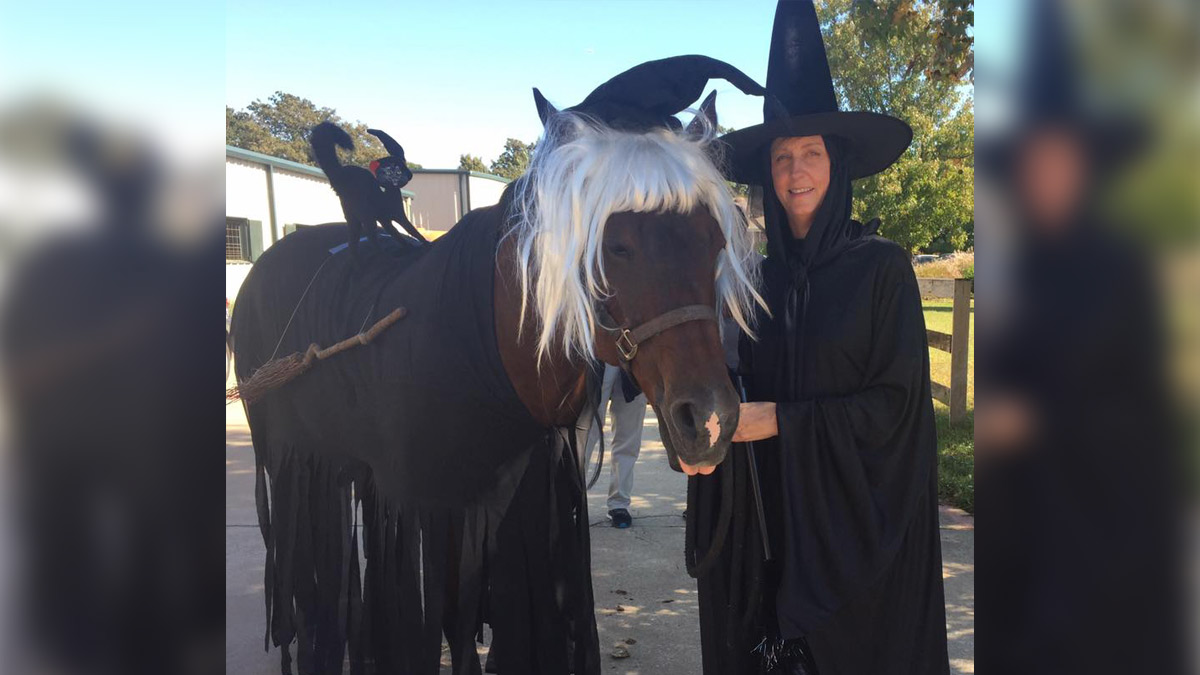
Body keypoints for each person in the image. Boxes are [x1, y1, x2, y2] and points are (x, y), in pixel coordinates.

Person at [697, 2, 949, 673]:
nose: (795, 171)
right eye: (782, 157)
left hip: (859, 553)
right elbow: (732, 385)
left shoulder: (882, 270)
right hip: (773, 540)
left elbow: (895, 413)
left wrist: (778, 421)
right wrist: (707, 434)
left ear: (836, 162)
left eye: (810, 153)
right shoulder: (759, 281)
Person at [578, 363, 648, 528]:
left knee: (629, 437)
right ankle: (573, 500)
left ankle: (619, 504)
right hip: (599, 355)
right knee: (585, 435)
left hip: (635, 357)